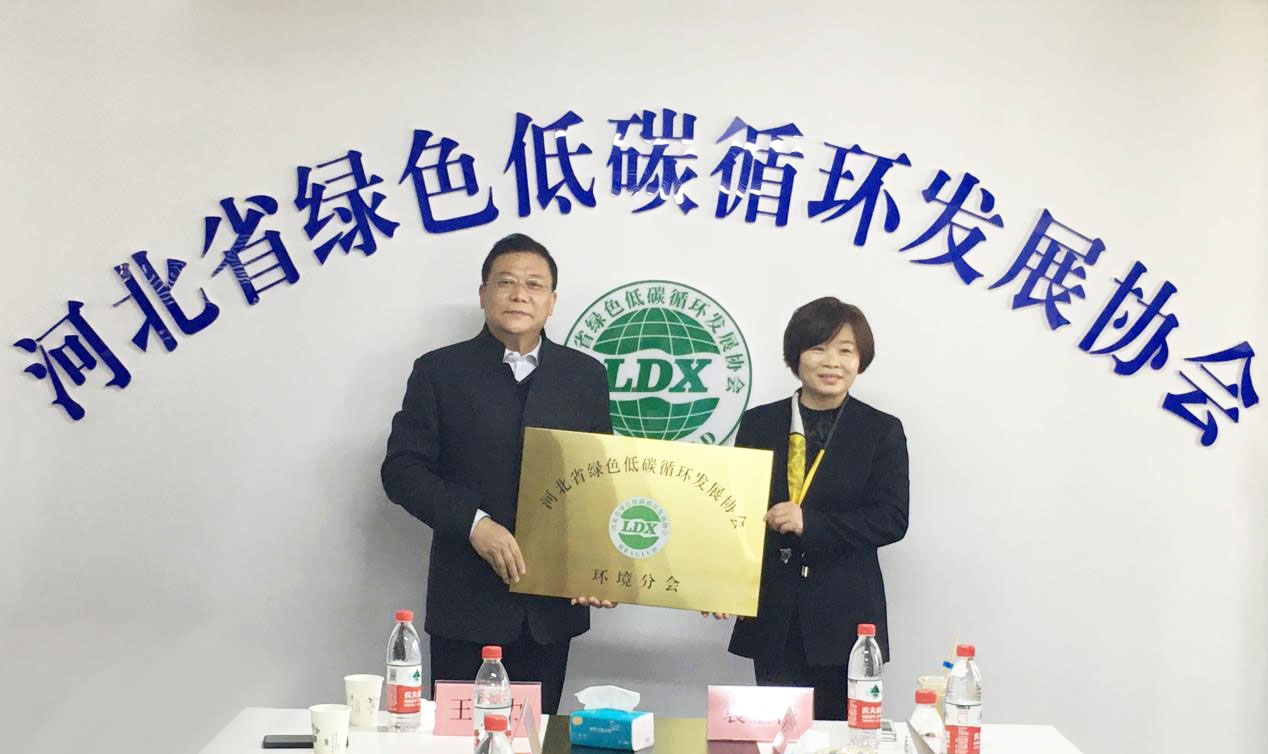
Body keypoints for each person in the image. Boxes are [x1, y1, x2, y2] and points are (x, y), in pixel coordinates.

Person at [381, 233, 613, 714]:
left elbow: (599, 481)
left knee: (532, 737)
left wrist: (599, 565)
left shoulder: (585, 376)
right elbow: (402, 470)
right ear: (483, 294)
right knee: (459, 739)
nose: (519, 294)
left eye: (534, 284)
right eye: (506, 282)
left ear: (552, 301)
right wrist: (475, 524)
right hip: (466, 603)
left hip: (550, 608)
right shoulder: (439, 371)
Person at [721, 296, 909, 721]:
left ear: (860, 359)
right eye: (818, 348)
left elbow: (892, 519)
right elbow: (735, 512)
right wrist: (720, 582)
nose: (832, 362)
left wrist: (812, 523)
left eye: (845, 350)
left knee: (844, 737)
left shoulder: (880, 429)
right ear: (797, 355)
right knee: (777, 735)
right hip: (775, 610)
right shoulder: (759, 423)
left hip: (846, 615)